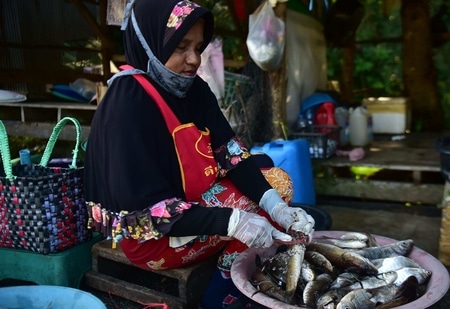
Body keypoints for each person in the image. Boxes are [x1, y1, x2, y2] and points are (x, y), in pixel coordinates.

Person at [83, 0, 315, 308]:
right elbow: (147, 214)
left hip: (191, 203)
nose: (194, 59)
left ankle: (231, 270)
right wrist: (234, 222)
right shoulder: (128, 103)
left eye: (198, 46)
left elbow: (231, 153)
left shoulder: (193, 89)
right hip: (151, 238)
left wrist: (277, 209)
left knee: (268, 177)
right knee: (267, 194)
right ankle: (223, 293)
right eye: (181, 46)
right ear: (150, 42)